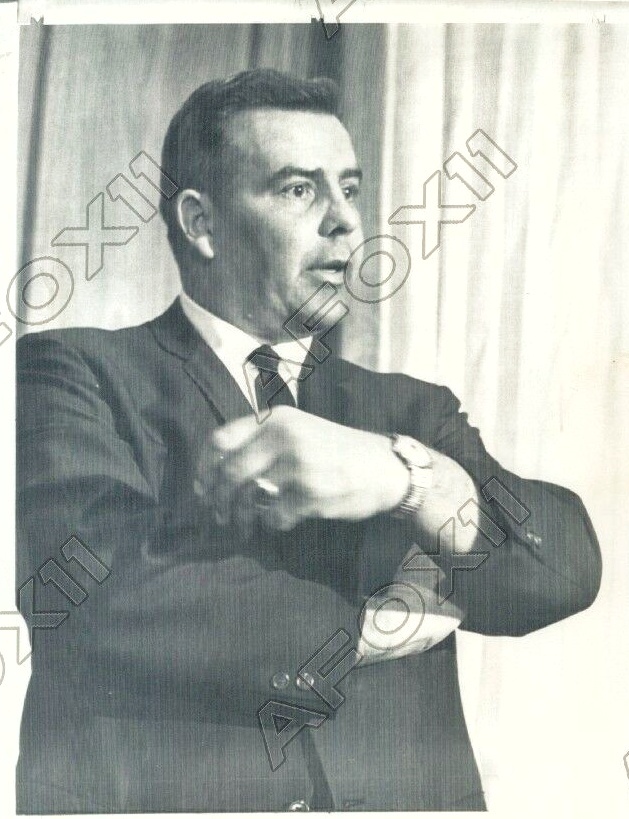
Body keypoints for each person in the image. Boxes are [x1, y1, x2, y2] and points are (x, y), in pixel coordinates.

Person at [16, 69, 601, 813]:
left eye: (350, 189)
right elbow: (94, 592)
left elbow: (559, 569)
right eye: (299, 189)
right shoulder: (70, 372)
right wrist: (365, 629)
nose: (346, 222)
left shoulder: (408, 412)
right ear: (201, 223)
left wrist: (409, 480)